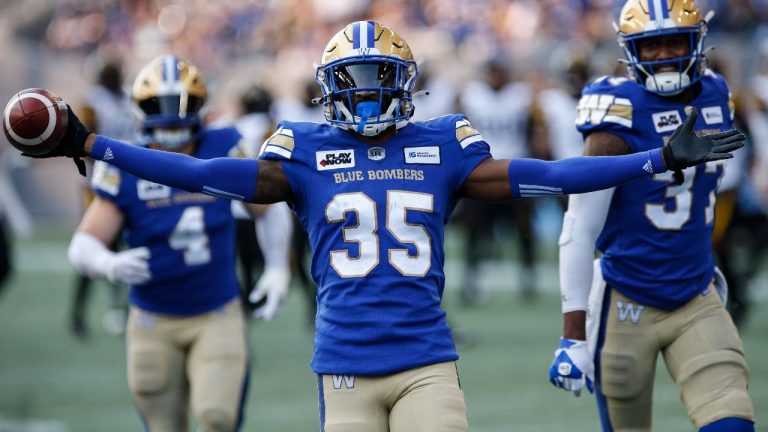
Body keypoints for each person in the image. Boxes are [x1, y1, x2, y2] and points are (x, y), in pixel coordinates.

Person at [30, 21, 742, 432]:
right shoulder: (301, 150)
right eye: (354, 81)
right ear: (330, 89)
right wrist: (92, 145)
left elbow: (551, 175)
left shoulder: (442, 143)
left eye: (379, 79)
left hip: (426, 361)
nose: (368, 96)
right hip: (344, 368)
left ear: (404, 83)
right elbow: (200, 173)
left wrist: (654, 159)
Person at [548, 1, 756, 431]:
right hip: (626, 300)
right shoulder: (617, 107)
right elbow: (580, 226)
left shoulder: (715, 93)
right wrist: (572, 336)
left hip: (696, 294)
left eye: (674, 42)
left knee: (732, 423)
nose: (663, 55)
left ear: (696, 42)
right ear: (631, 51)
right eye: (651, 46)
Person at [66, 55, 290, 432]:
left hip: (216, 311)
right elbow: (83, 243)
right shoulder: (124, 160)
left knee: (218, 418)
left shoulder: (224, 143)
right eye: (160, 106)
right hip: (152, 317)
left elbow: (267, 207)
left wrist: (278, 266)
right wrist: (107, 264)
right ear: (140, 107)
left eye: (181, 105)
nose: (171, 117)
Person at [69, 58, 139, 341]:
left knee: (130, 245)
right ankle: (78, 315)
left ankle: (122, 308)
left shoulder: (128, 98)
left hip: (131, 182)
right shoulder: (92, 102)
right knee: (95, 244)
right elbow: (83, 144)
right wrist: (106, 170)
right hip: (102, 185)